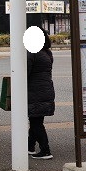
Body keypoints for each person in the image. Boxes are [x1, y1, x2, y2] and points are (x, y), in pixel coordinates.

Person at [28, 26, 55, 160]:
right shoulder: (47, 52)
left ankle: (45, 150)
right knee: (36, 119)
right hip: (46, 90)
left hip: (35, 92)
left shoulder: (32, 52)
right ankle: (30, 146)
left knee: (35, 122)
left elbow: (25, 72)